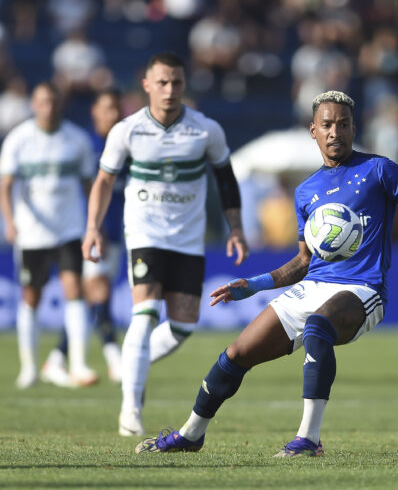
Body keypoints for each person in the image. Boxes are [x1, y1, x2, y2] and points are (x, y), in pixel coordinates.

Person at [134, 90, 398, 455]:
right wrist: (255, 285)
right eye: (326, 125)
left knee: (318, 327)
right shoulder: (306, 191)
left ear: (354, 128)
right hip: (313, 286)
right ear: (313, 131)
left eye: (342, 124)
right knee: (235, 354)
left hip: (363, 289)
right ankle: (191, 435)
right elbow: (302, 262)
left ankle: (309, 439)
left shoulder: (381, 170)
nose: (334, 132)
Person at [82, 52, 249, 436]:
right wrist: (92, 227)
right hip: (145, 234)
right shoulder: (126, 130)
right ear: (146, 85)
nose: (169, 90)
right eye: (162, 82)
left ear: (184, 84)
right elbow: (104, 182)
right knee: (145, 315)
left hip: (188, 240)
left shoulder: (205, 130)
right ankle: (130, 410)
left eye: (176, 82)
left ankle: (131, 363)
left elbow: (226, 180)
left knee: (183, 326)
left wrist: (235, 229)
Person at [0, 81, 98, 389]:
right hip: (32, 233)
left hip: (69, 228)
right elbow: (5, 185)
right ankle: (29, 367)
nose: (49, 107)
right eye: (43, 102)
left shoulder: (77, 139)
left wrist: (94, 225)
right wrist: (10, 221)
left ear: (61, 104)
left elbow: (89, 185)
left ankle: (79, 363)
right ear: (33, 104)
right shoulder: (19, 139)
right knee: (31, 297)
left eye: (54, 102)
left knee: (74, 290)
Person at [46, 89, 125, 385]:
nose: (113, 115)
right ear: (94, 112)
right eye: (107, 108)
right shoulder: (85, 146)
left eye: (117, 108)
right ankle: (113, 357)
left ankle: (55, 358)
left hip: (118, 234)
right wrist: (91, 226)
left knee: (93, 297)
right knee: (99, 291)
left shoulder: (125, 146)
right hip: (91, 233)